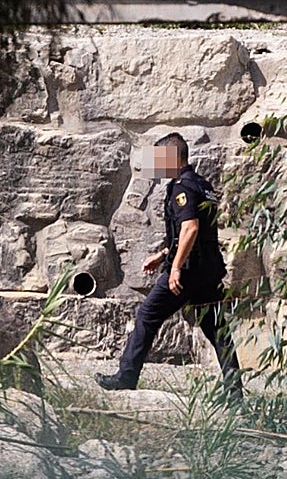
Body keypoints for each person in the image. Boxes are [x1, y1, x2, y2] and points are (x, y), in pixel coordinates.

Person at [98, 133, 242, 397]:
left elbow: (190, 228)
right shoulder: (202, 185)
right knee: (217, 329)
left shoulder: (182, 188)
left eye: (159, 159)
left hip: (186, 272)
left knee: (147, 316)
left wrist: (174, 267)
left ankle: (126, 376)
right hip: (208, 271)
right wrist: (163, 255)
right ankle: (235, 392)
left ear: (174, 158)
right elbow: (190, 234)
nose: (156, 166)